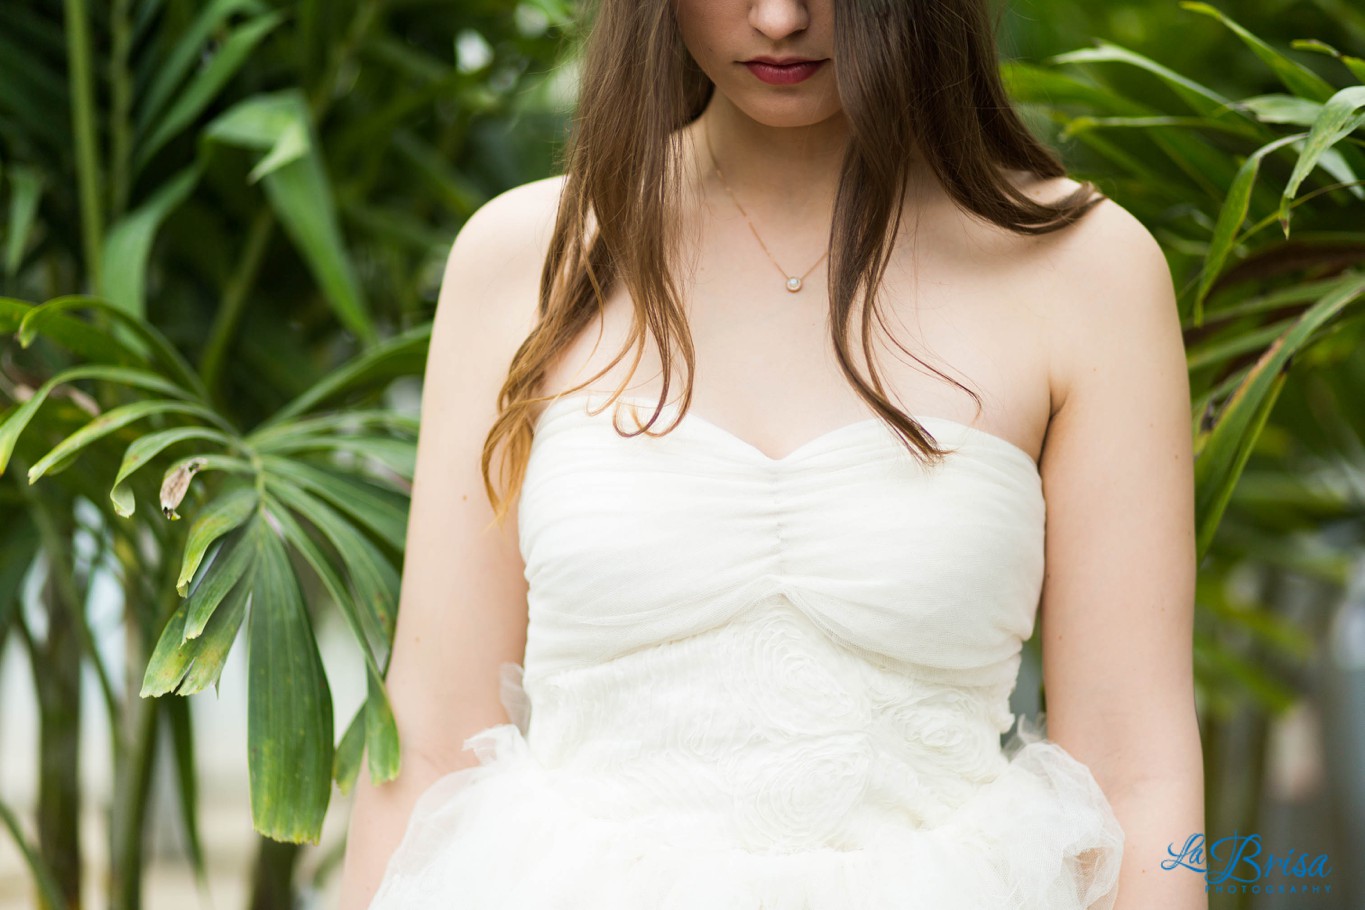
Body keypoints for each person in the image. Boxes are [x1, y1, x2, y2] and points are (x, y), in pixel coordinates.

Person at [338, 0, 1206, 907]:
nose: (780, 18)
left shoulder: (1083, 270)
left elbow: (1133, 773)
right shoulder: (527, 259)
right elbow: (432, 741)